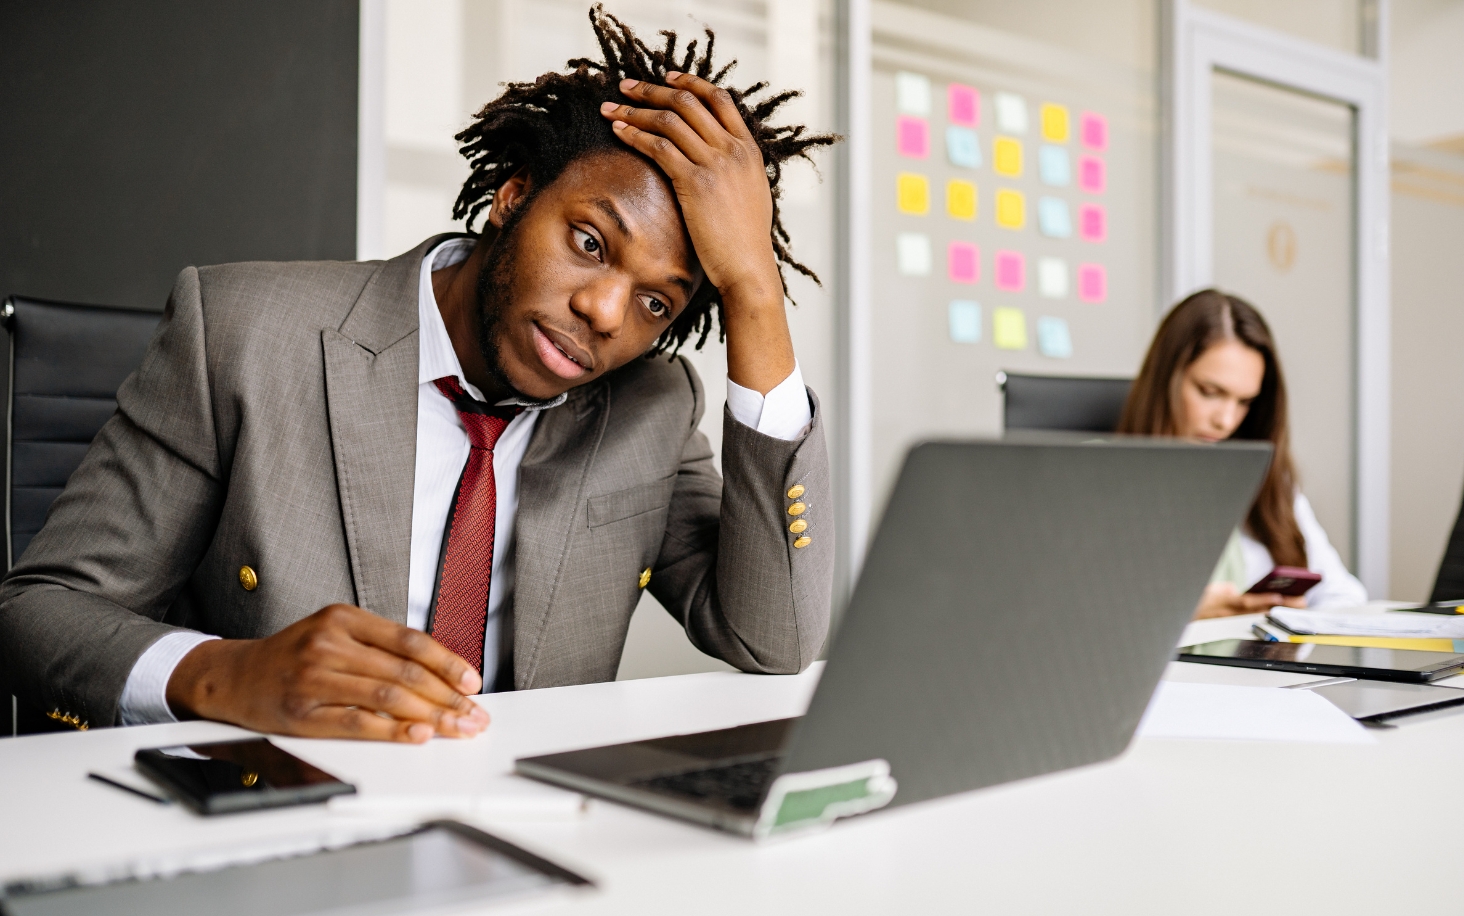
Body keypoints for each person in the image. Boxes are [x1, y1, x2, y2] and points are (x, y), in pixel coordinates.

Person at [0, 7, 838, 739]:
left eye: (659, 303)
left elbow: (775, 639)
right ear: (512, 195)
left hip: (527, 846)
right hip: (282, 818)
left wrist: (754, 293)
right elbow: (36, 615)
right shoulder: (245, 333)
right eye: (589, 243)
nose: (608, 315)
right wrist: (227, 675)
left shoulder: (649, 407)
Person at [1118, 289, 1367, 618]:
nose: (1225, 420)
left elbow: (1342, 594)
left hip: (1262, 667)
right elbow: (1066, 621)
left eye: (1244, 402)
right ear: (1166, 379)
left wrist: (1293, 619)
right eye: (1210, 392)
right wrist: (1182, 614)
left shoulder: (1265, 481)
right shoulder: (1096, 479)